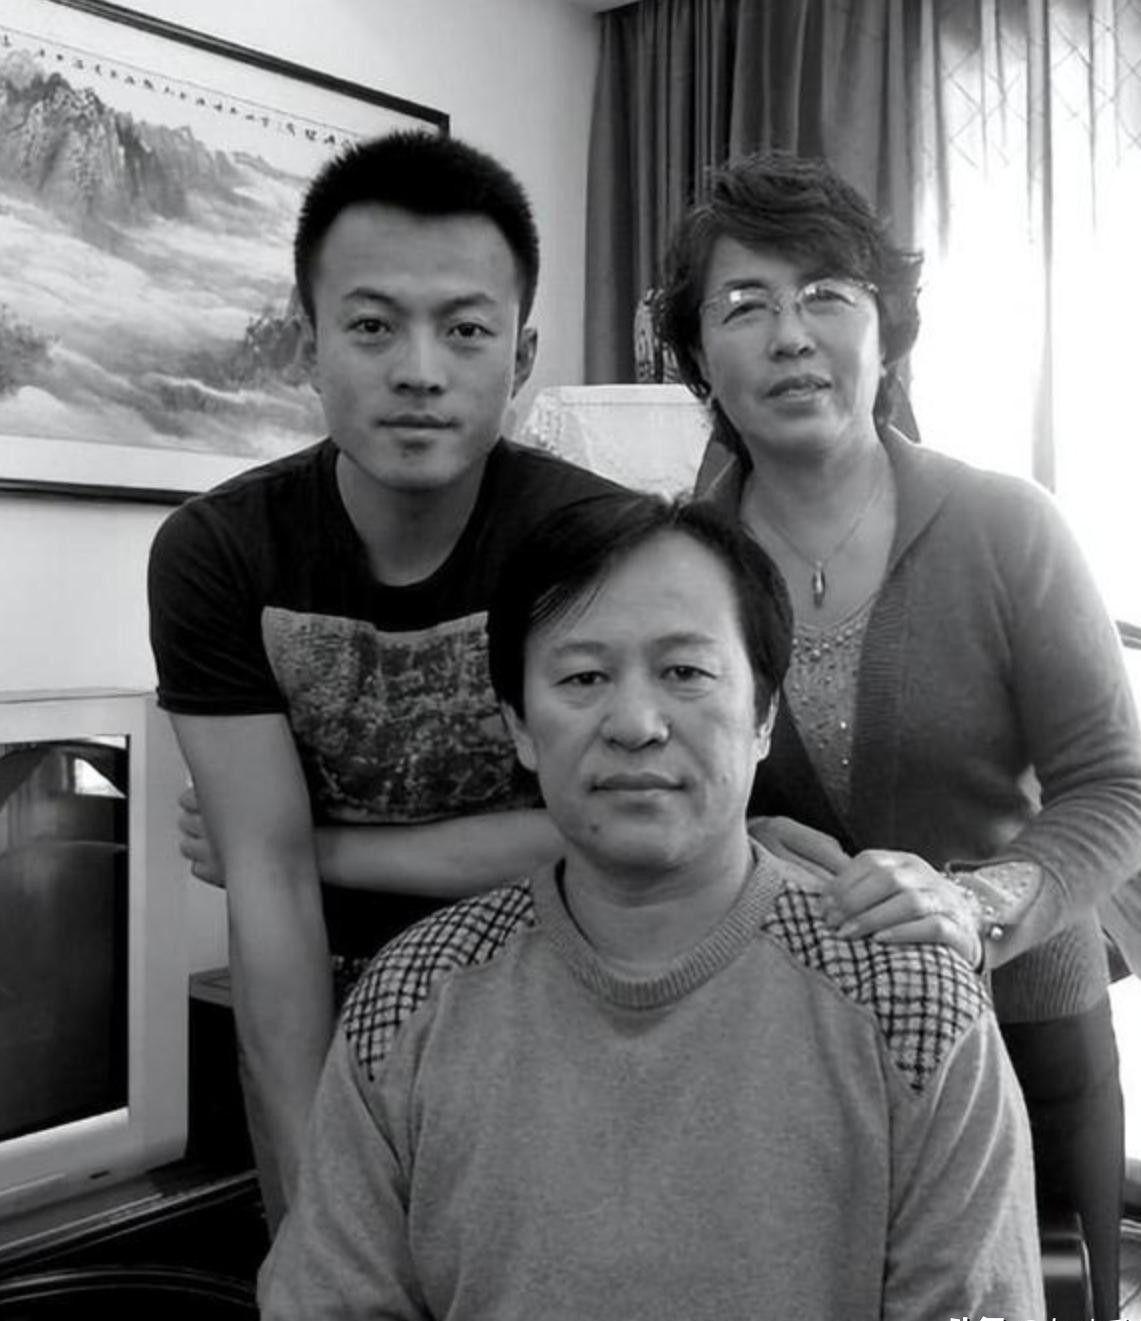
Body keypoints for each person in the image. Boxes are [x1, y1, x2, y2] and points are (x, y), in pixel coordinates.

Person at [257, 491, 1044, 1321]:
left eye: (685, 673)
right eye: (583, 677)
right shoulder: (411, 996)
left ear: (763, 715)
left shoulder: (911, 1002)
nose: (634, 723)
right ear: (519, 726)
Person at [655, 149, 1141, 1321]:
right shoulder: (671, 563)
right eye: (743, 304)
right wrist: (740, 836)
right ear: (696, 353)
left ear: (888, 329)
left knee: (1039, 1297)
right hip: (776, 1039)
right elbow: (639, 789)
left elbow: (1115, 786)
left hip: (1026, 1019)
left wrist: (977, 904)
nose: (789, 336)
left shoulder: (1006, 526)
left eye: (827, 293)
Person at [147, 131, 621, 1229]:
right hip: (334, 1012)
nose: (419, 369)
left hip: (576, 1007)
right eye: (371, 326)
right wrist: (313, 1208)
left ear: (522, 354)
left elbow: (609, 831)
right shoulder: (220, 554)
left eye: (465, 329)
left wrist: (318, 846)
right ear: (305, 344)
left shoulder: (602, 545)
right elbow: (266, 893)